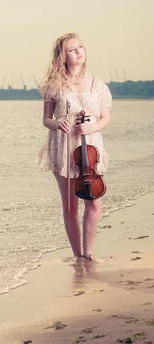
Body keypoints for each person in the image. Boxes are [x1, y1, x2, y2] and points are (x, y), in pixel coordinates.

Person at [38, 33, 112, 262]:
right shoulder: (54, 86)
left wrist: (92, 127)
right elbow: (46, 120)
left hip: (90, 147)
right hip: (63, 147)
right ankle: (77, 255)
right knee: (70, 205)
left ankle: (89, 252)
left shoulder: (98, 85)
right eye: (72, 49)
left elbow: (105, 119)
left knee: (94, 201)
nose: (79, 51)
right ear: (63, 57)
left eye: (80, 47)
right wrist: (57, 122)